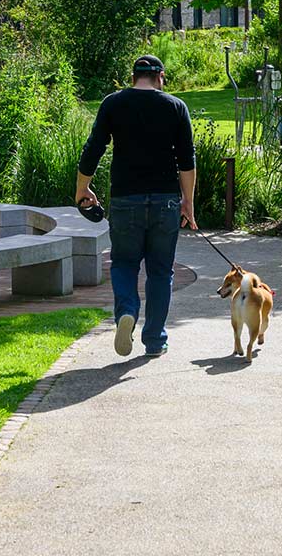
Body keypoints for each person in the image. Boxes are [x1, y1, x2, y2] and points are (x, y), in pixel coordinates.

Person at [76, 54, 196, 359]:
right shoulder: (175, 107)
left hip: (125, 199)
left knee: (124, 264)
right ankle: (154, 340)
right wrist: (188, 203)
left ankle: (127, 312)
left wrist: (82, 188)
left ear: (133, 77)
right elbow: (186, 160)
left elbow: (94, 148)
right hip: (165, 200)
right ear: (161, 77)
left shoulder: (113, 104)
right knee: (160, 271)